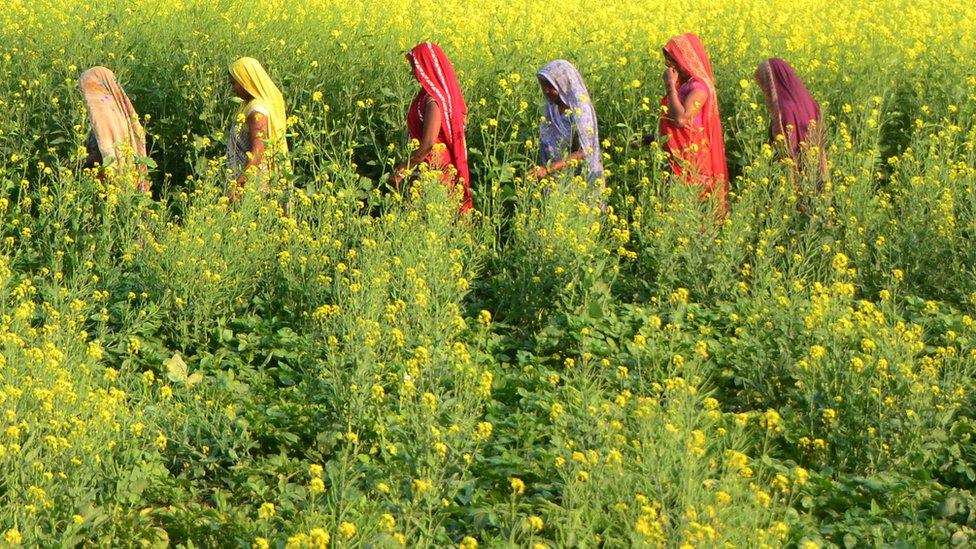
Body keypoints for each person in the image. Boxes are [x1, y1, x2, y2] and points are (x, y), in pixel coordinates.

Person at [392, 42, 472, 214]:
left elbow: (428, 143)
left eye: (416, 66)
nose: (413, 72)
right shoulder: (429, 96)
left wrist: (403, 169)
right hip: (430, 170)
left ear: (426, 66)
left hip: (435, 172)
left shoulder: (433, 101)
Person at [659, 33, 729, 214]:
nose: (668, 65)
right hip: (679, 157)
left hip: (691, 161)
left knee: (690, 210)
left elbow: (682, 120)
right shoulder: (686, 85)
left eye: (672, 59)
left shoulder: (699, 87)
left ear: (684, 58)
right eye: (667, 60)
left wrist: (669, 85)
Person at [532, 60, 605, 191]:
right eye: (543, 86)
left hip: (578, 180)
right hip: (553, 179)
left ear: (564, 84)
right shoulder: (551, 107)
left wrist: (549, 169)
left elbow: (585, 151)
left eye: (550, 86)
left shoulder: (581, 110)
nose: (546, 91)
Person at [755, 58, 828, 187]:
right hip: (814, 170)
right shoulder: (809, 101)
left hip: (794, 179)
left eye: (764, 85)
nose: (764, 92)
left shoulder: (784, 109)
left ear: (772, 82)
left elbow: (787, 149)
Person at [227, 57, 288, 198]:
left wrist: (239, 184)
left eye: (233, 83)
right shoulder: (248, 105)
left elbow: (258, 151)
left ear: (245, 81)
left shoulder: (257, 110)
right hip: (246, 180)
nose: (232, 89)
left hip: (254, 184)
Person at [80, 66, 149, 191]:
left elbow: (106, 153)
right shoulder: (122, 111)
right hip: (131, 183)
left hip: (111, 187)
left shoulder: (103, 116)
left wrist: (77, 162)